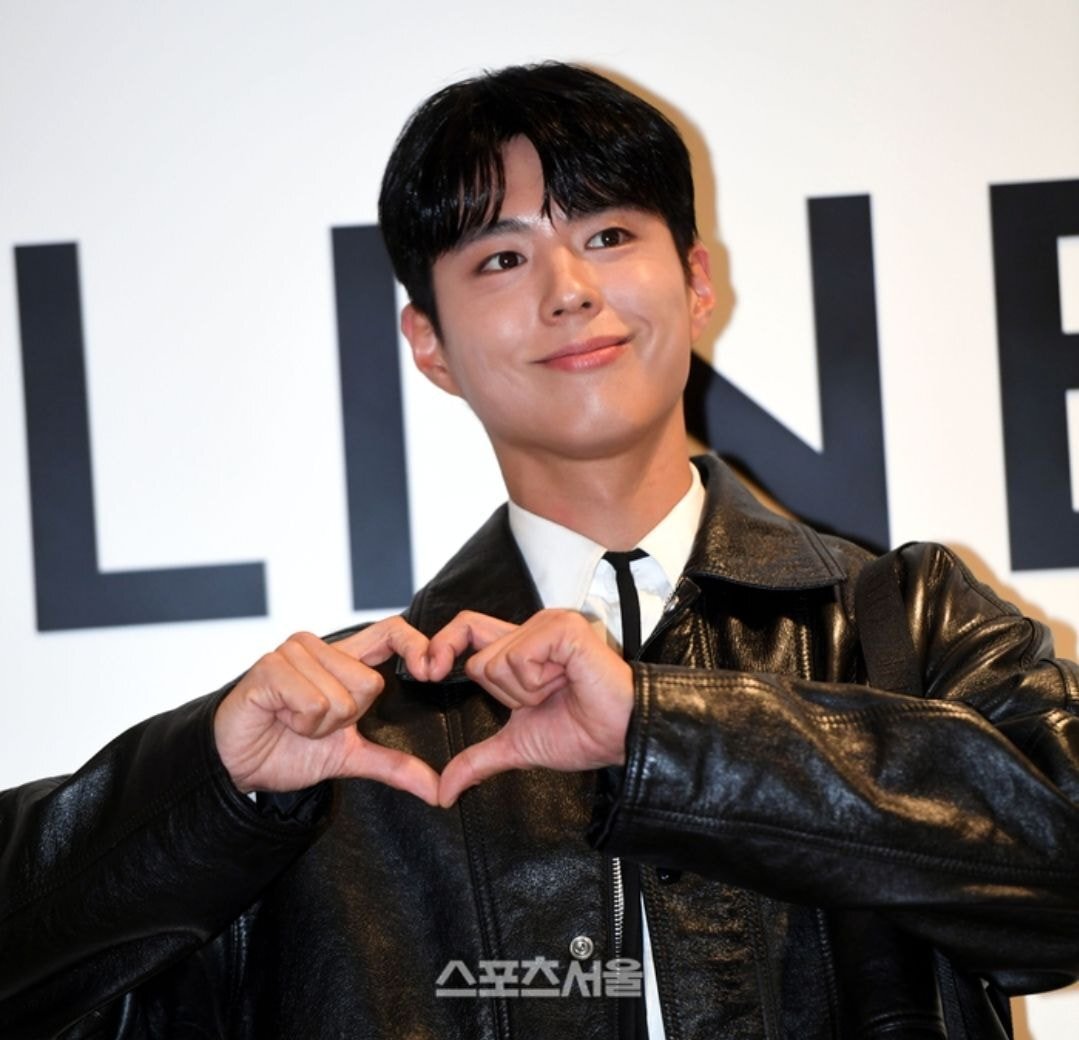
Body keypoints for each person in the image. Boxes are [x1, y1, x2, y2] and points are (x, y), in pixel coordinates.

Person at [2, 61, 1078, 1040]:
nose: (568, 289)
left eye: (607, 235)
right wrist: (207, 793)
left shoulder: (905, 621)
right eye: (503, 256)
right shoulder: (335, 738)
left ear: (696, 278)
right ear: (428, 343)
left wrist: (662, 731)